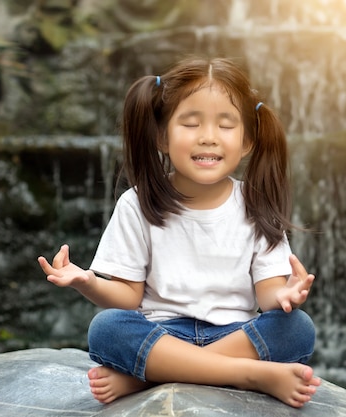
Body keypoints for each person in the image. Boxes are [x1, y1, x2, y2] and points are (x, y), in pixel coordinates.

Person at [37, 56, 321, 408]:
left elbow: (267, 296)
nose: (208, 138)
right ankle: (249, 374)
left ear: (248, 140)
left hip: (234, 335)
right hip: (162, 334)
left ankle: (150, 375)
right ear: (161, 136)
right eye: (190, 123)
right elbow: (128, 297)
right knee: (107, 328)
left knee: (297, 327)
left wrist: (285, 294)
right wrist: (88, 281)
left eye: (225, 125)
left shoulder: (255, 203)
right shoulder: (137, 203)